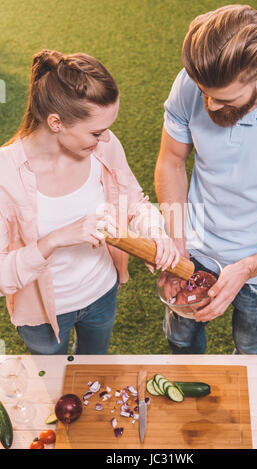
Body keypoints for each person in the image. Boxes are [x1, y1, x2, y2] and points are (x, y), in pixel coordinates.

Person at [0, 49, 180, 355]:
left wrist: (157, 232)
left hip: (102, 293)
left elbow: (134, 202)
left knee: (94, 368)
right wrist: (56, 239)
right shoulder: (6, 175)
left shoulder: (103, 148)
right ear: (56, 122)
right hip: (42, 316)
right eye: (96, 132)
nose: (106, 138)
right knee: (55, 383)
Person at [155, 4, 257, 354]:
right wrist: (176, 240)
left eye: (224, 99)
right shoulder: (191, 82)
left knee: (252, 347)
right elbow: (171, 161)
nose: (210, 106)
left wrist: (248, 268)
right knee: (180, 339)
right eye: (204, 92)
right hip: (195, 245)